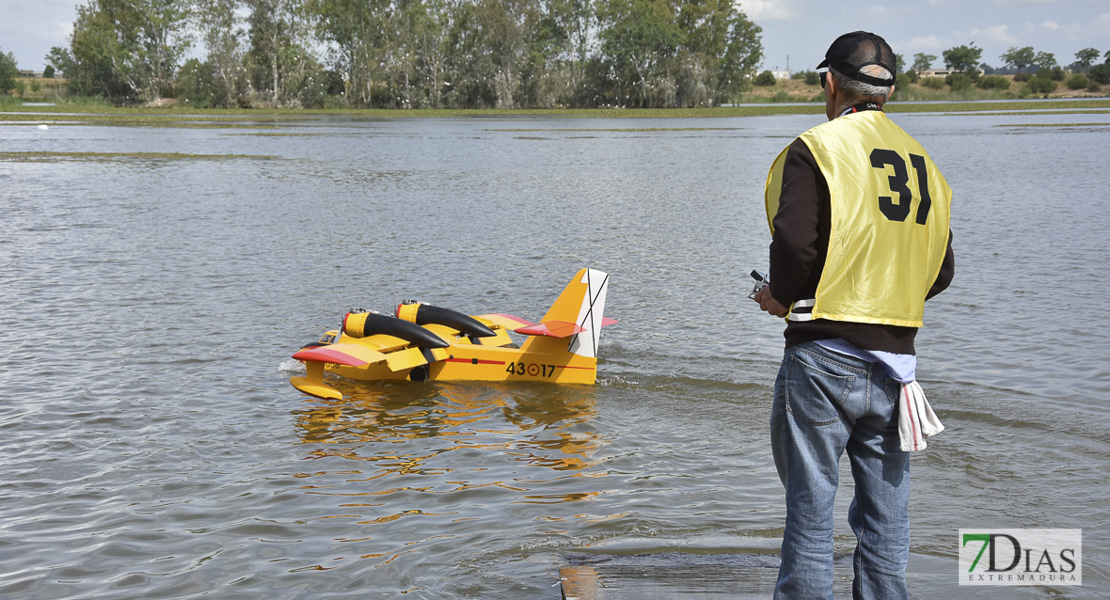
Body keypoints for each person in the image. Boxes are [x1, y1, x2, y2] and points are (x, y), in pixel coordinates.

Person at [753, 31, 955, 599]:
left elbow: (794, 249)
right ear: (888, 91)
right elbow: (938, 272)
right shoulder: (926, 164)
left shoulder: (815, 147)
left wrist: (781, 298)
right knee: (887, 520)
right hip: (899, 369)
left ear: (830, 82)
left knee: (811, 509)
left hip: (823, 359)